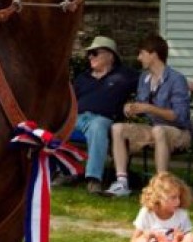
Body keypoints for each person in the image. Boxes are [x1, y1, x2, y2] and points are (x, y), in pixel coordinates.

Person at [103, 34, 192, 197]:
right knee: (117, 128)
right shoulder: (144, 78)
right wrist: (131, 108)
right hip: (153, 129)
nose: (138, 57)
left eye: (141, 53)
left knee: (159, 130)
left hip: (179, 132)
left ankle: (161, 186)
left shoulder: (176, 79)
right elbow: (141, 105)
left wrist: (149, 108)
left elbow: (179, 117)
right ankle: (122, 183)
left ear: (153, 54)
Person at [54, 36, 138, 194]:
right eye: (89, 54)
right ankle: (66, 172)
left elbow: (154, 78)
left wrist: (183, 81)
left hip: (103, 120)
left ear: (110, 56)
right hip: (78, 118)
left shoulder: (125, 75)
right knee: (58, 124)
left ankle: (94, 179)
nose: (90, 56)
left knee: (97, 126)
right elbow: (68, 100)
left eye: (95, 53)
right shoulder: (82, 78)